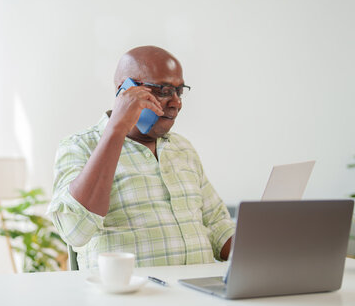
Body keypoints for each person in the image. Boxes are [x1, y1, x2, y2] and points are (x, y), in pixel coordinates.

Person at [47, 46, 234, 269]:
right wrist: (117, 128)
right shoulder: (80, 146)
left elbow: (216, 225)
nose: (177, 103)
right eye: (164, 91)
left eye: (179, 91)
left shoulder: (182, 149)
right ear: (124, 91)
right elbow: (75, 230)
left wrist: (269, 251)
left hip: (197, 295)